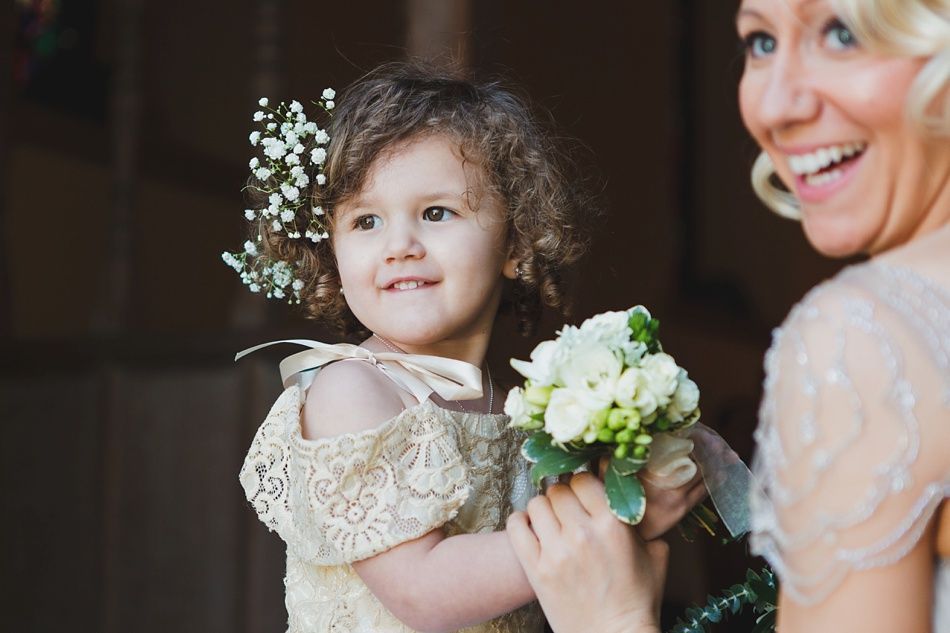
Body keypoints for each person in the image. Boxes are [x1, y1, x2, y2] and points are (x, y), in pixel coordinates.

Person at [506, 1, 950, 631]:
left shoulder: (867, 340)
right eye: (761, 42)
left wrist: (611, 619)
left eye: (841, 32)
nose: (773, 107)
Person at [234, 62, 700, 633]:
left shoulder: (521, 413)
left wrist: (637, 491)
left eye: (436, 213)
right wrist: (602, 522)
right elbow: (423, 591)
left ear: (515, 241)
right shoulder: (354, 390)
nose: (399, 244)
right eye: (366, 221)